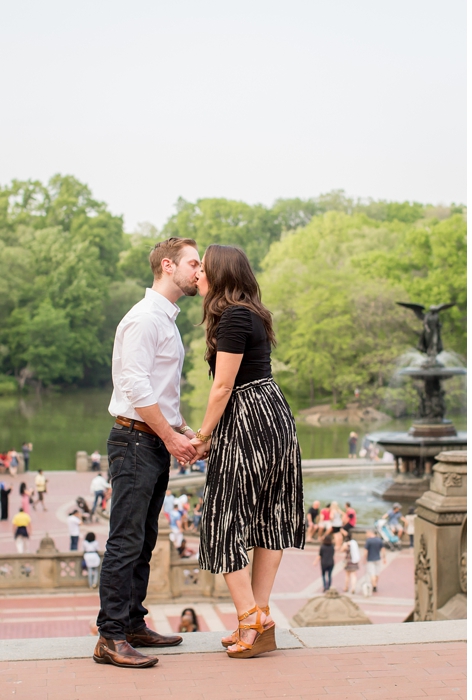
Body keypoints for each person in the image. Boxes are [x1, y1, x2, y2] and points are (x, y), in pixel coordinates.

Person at [189, 244, 304, 660]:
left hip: (248, 417)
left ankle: (249, 617)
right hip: (273, 414)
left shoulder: (233, 316)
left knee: (223, 518)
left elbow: (223, 386)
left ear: (218, 274)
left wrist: (204, 435)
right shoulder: (252, 312)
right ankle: (258, 615)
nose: (197, 274)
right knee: (269, 514)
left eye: (202, 268)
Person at [94, 236, 202, 669]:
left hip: (152, 438)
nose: (199, 271)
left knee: (144, 540)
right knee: (125, 539)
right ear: (167, 266)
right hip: (135, 440)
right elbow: (135, 387)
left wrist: (178, 427)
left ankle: (133, 622)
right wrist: (172, 438)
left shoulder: (166, 319)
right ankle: (110, 635)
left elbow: (157, 390)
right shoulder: (143, 319)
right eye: (193, 263)